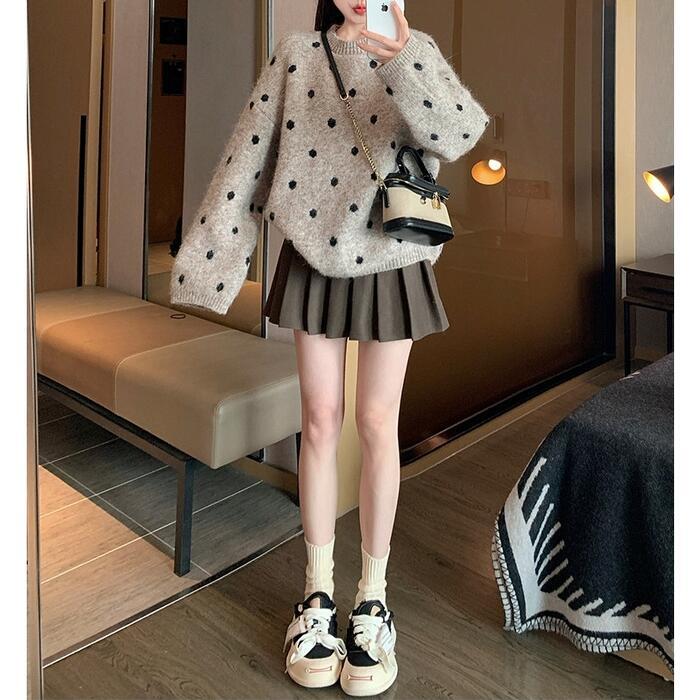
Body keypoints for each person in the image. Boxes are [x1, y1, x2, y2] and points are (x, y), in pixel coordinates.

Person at [170, 0, 489, 694]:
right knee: (318, 421)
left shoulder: (416, 48)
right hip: (313, 254)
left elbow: (461, 132)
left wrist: (404, 58)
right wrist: (208, 264)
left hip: (394, 255)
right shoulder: (297, 54)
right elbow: (246, 157)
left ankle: (372, 602)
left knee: (376, 423)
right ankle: (316, 597)